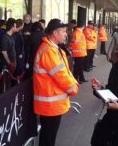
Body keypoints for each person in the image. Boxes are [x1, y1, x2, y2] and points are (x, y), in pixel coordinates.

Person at [33, 18, 79, 146]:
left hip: (52, 103)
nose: (66, 34)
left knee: (49, 136)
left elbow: (65, 72)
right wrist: (73, 88)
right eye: (64, 31)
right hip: (50, 105)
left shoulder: (53, 48)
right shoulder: (49, 50)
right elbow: (61, 75)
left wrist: (73, 83)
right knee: (48, 138)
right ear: (55, 33)